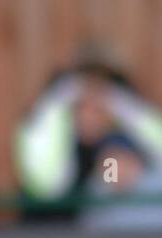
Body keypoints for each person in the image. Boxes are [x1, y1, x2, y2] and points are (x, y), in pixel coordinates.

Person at [15, 41, 162, 211]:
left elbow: (113, 179)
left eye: (100, 97)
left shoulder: (114, 145)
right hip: (42, 228)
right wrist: (58, 102)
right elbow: (48, 186)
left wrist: (123, 108)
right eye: (84, 101)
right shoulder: (48, 134)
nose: (91, 111)